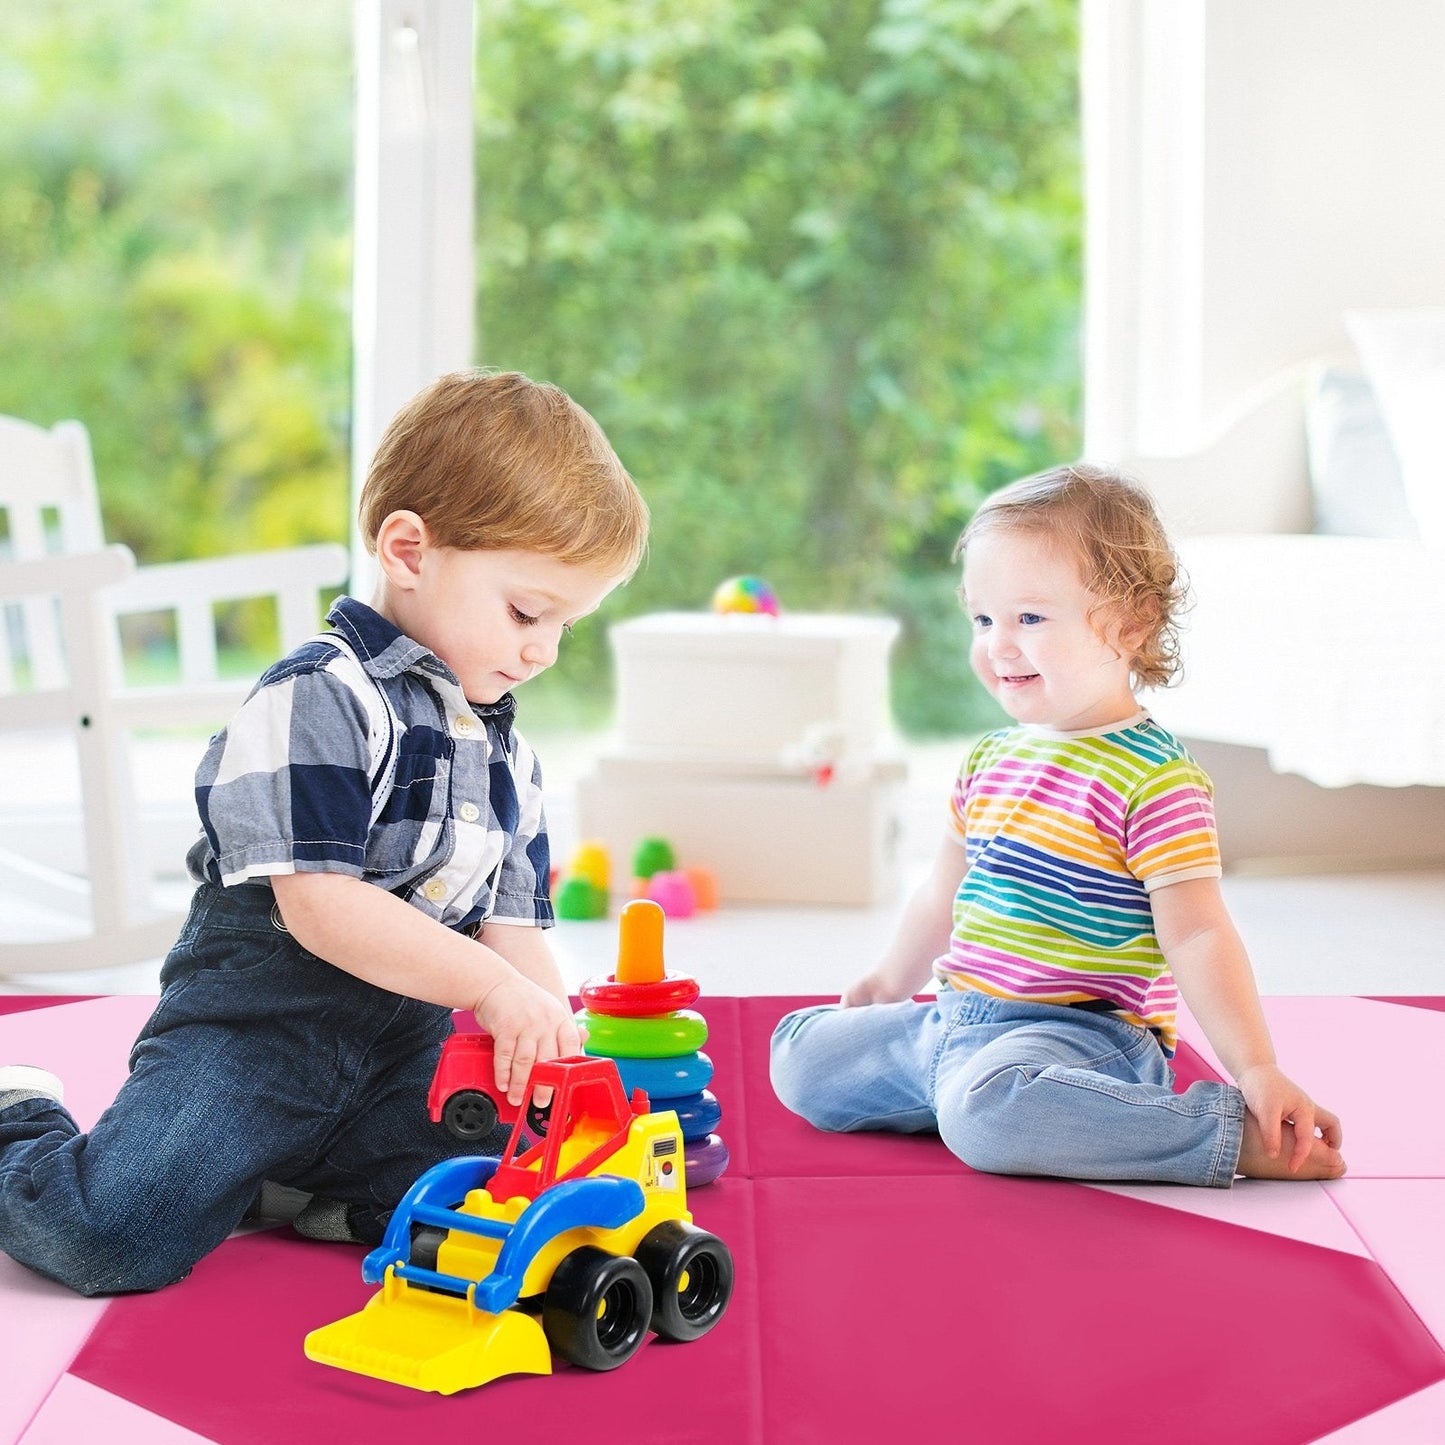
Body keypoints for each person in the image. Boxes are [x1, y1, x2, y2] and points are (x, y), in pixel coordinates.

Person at [0, 369, 649, 1295]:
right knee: (117, 1234)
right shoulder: (320, 695)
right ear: (408, 550)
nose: (542, 650)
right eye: (524, 612)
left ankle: (297, 1183)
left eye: (566, 627)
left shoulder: (511, 759)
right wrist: (492, 989)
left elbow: (513, 931)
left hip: (400, 1053)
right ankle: (20, 1118)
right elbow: (322, 910)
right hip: (257, 1033)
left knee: (503, 1191)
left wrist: (562, 1047)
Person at [770, 463, 1345, 1187]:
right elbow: (940, 894)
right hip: (955, 1018)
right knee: (799, 1053)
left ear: (1129, 623)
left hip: (1081, 1034)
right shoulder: (988, 758)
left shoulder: (1155, 778)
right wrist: (889, 981)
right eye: (983, 618)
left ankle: (1214, 1133)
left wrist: (1256, 1067)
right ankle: (993, 1104)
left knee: (989, 1113)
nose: (997, 644)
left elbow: (1197, 932)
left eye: (1029, 618)